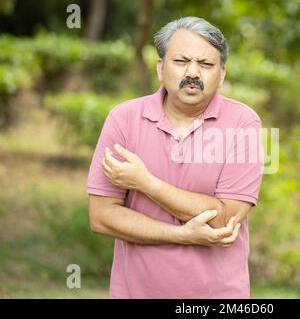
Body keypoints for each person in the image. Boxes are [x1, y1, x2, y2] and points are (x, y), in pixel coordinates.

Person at [86, 16, 263, 298]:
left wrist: (146, 183)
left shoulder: (243, 123)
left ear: (222, 74)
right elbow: (102, 217)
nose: (193, 72)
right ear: (160, 68)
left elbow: (225, 218)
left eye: (206, 64)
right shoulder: (124, 119)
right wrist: (181, 234)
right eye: (181, 61)